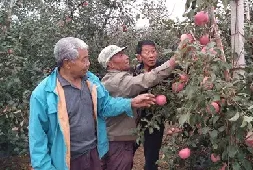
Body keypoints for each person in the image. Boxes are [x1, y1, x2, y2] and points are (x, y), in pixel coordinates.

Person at [28, 37, 156, 170]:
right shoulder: (43, 94)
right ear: (67, 63)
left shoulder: (90, 81)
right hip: (66, 162)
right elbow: (38, 141)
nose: (88, 63)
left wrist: (131, 102)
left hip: (93, 154)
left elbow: (105, 106)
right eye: (84, 59)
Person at [97, 44, 177, 170]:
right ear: (110, 64)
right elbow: (148, 79)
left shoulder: (114, 78)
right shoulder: (117, 80)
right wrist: (174, 61)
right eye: (120, 55)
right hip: (118, 140)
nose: (126, 57)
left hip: (116, 137)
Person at [133, 40, 175, 170]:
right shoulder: (135, 71)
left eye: (153, 51)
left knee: (151, 157)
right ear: (139, 56)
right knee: (129, 150)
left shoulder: (164, 69)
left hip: (155, 119)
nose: (151, 55)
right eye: (147, 52)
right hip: (137, 118)